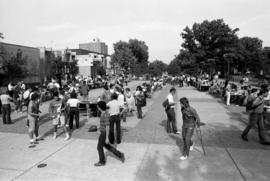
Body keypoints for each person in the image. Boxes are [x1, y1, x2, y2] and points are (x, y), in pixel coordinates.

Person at [94, 101, 125, 166]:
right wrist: (99, 128)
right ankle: (120, 154)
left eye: (98, 106)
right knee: (107, 146)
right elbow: (104, 124)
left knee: (99, 147)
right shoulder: (104, 113)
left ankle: (102, 162)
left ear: (100, 107)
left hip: (104, 133)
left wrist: (107, 137)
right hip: (103, 132)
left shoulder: (105, 115)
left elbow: (107, 126)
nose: (97, 107)